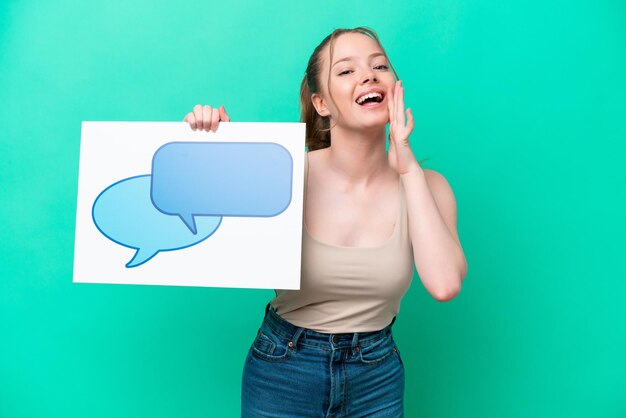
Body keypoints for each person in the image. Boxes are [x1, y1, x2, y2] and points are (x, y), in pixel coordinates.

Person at [184, 27, 467, 418]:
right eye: (346, 71)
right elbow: (199, 213)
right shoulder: (280, 174)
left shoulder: (427, 186)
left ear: (394, 85)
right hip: (281, 371)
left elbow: (445, 283)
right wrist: (213, 145)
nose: (368, 75)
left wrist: (407, 163)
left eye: (379, 65)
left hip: (377, 377)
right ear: (321, 103)